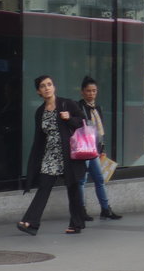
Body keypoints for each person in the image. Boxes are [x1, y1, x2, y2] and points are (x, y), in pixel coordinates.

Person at [17, 75, 88, 235]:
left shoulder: (66, 104)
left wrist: (69, 118)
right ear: (38, 91)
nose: (47, 88)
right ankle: (31, 222)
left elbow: (82, 121)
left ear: (54, 87)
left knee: (73, 189)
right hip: (51, 155)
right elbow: (40, 137)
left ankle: (77, 223)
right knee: (44, 187)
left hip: (69, 154)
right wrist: (36, 159)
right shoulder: (40, 111)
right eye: (43, 86)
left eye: (49, 84)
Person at [76, 76, 121, 221]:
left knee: (99, 180)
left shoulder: (98, 108)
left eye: (94, 91)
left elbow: (100, 131)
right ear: (82, 92)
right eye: (88, 91)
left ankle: (106, 209)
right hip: (83, 150)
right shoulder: (78, 107)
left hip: (95, 150)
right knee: (82, 181)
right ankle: (81, 210)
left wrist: (102, 148)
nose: (91, 94)